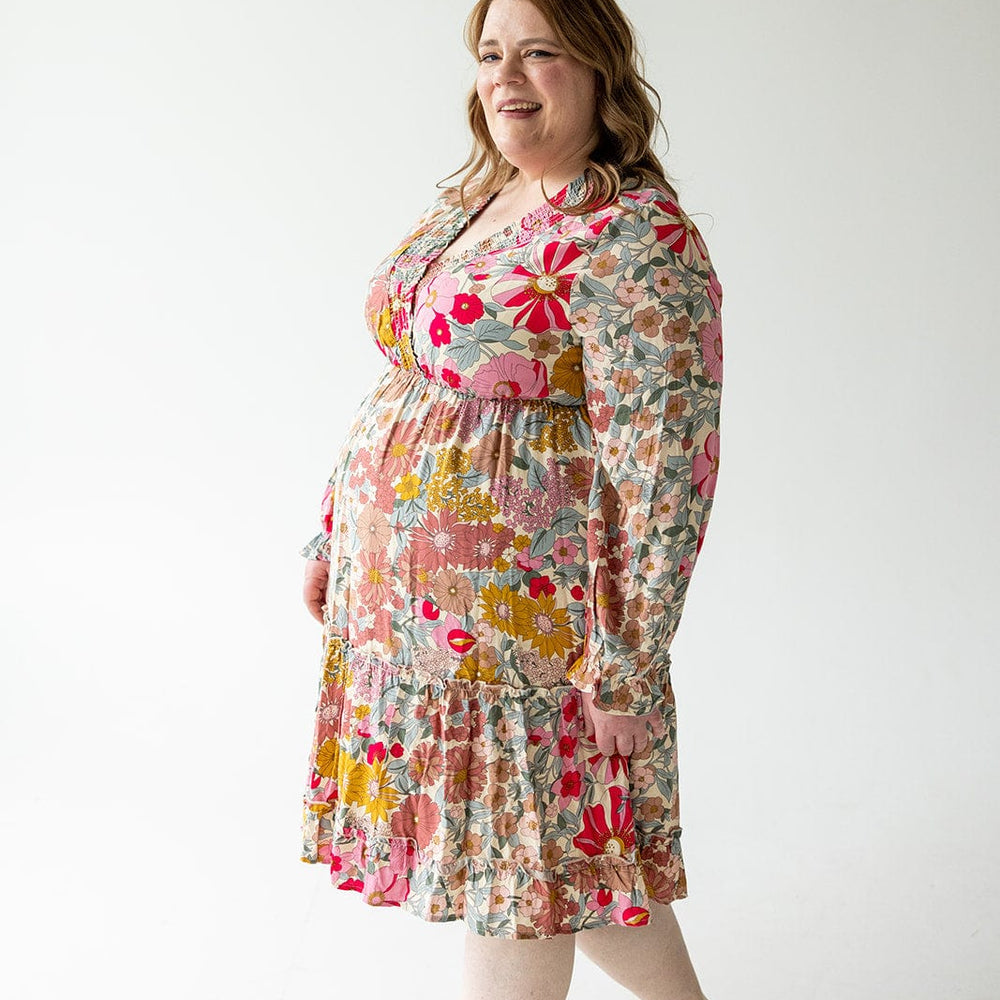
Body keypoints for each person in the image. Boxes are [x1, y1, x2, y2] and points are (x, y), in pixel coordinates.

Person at [298, 0, 723, 996]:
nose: (506, 76)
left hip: (527, 632)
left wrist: (624, 661)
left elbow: (666, 471)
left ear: (600, 70)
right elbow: (403, 378)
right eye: (491, 53)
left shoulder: (633, 236)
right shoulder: (481, 195)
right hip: (415, 624)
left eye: (540, 52)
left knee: (522, 867)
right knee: (561, 864)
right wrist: (332, 526)